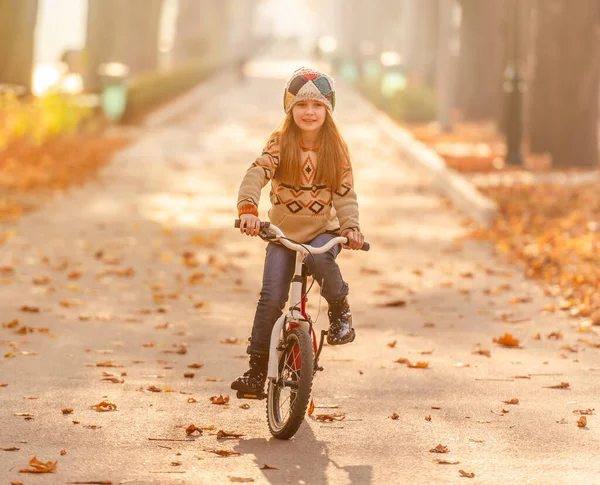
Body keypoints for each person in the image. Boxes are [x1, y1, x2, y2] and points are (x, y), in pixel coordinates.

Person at [231, 67, 365, 395]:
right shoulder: (280, 142)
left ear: (328, 110)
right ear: (290, 109)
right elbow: (256, 173)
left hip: (322, 231)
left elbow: (345, 194)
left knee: (321, 260)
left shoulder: (336, 148)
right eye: (302, 106)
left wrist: (351, 228)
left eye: (317, 106)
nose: (309, 112)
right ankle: (256, 371)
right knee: (271, 297)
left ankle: (339, 310)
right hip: (281, 234)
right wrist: (248, 209)